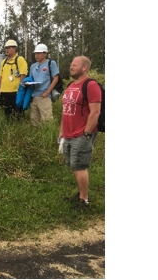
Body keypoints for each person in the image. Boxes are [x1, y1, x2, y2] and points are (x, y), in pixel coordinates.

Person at [59, 56, 102, 210]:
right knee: (74, 165)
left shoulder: (91, 85)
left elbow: (95, 112)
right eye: (71, 64)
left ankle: (84, 200)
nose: (71, 67)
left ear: (84, 68)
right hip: (69, 133)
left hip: (82, 133)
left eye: (75, 65)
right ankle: (80, 194)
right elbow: (66, 110)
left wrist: (86, 133)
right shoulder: (71, 85)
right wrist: (62, 131)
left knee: (80, 166)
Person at [26, 44, 60, 127]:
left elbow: (56, 78)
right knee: (34, 120)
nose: (37, 55)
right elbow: (31, 79)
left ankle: (48, 138)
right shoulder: (33, 66)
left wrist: (48, 92)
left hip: (44, 96)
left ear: (45, 53)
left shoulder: (51, 63)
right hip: (34, 96)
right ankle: (37, 138)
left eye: (39, 53)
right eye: (35, 53)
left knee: (47, 120)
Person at [0, 39, 28, 120]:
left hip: (15, 92)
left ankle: (20, 130)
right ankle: (9, 129)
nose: (7, 50)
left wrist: (20, 90)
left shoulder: (20, 59)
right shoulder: (3, 62)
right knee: (7, 114)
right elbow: (0, 76)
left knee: (18, 114)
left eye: (9, 48)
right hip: (4, 93)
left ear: (15, 48)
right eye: (6, 48)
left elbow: (23, 75)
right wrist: (0, 90)